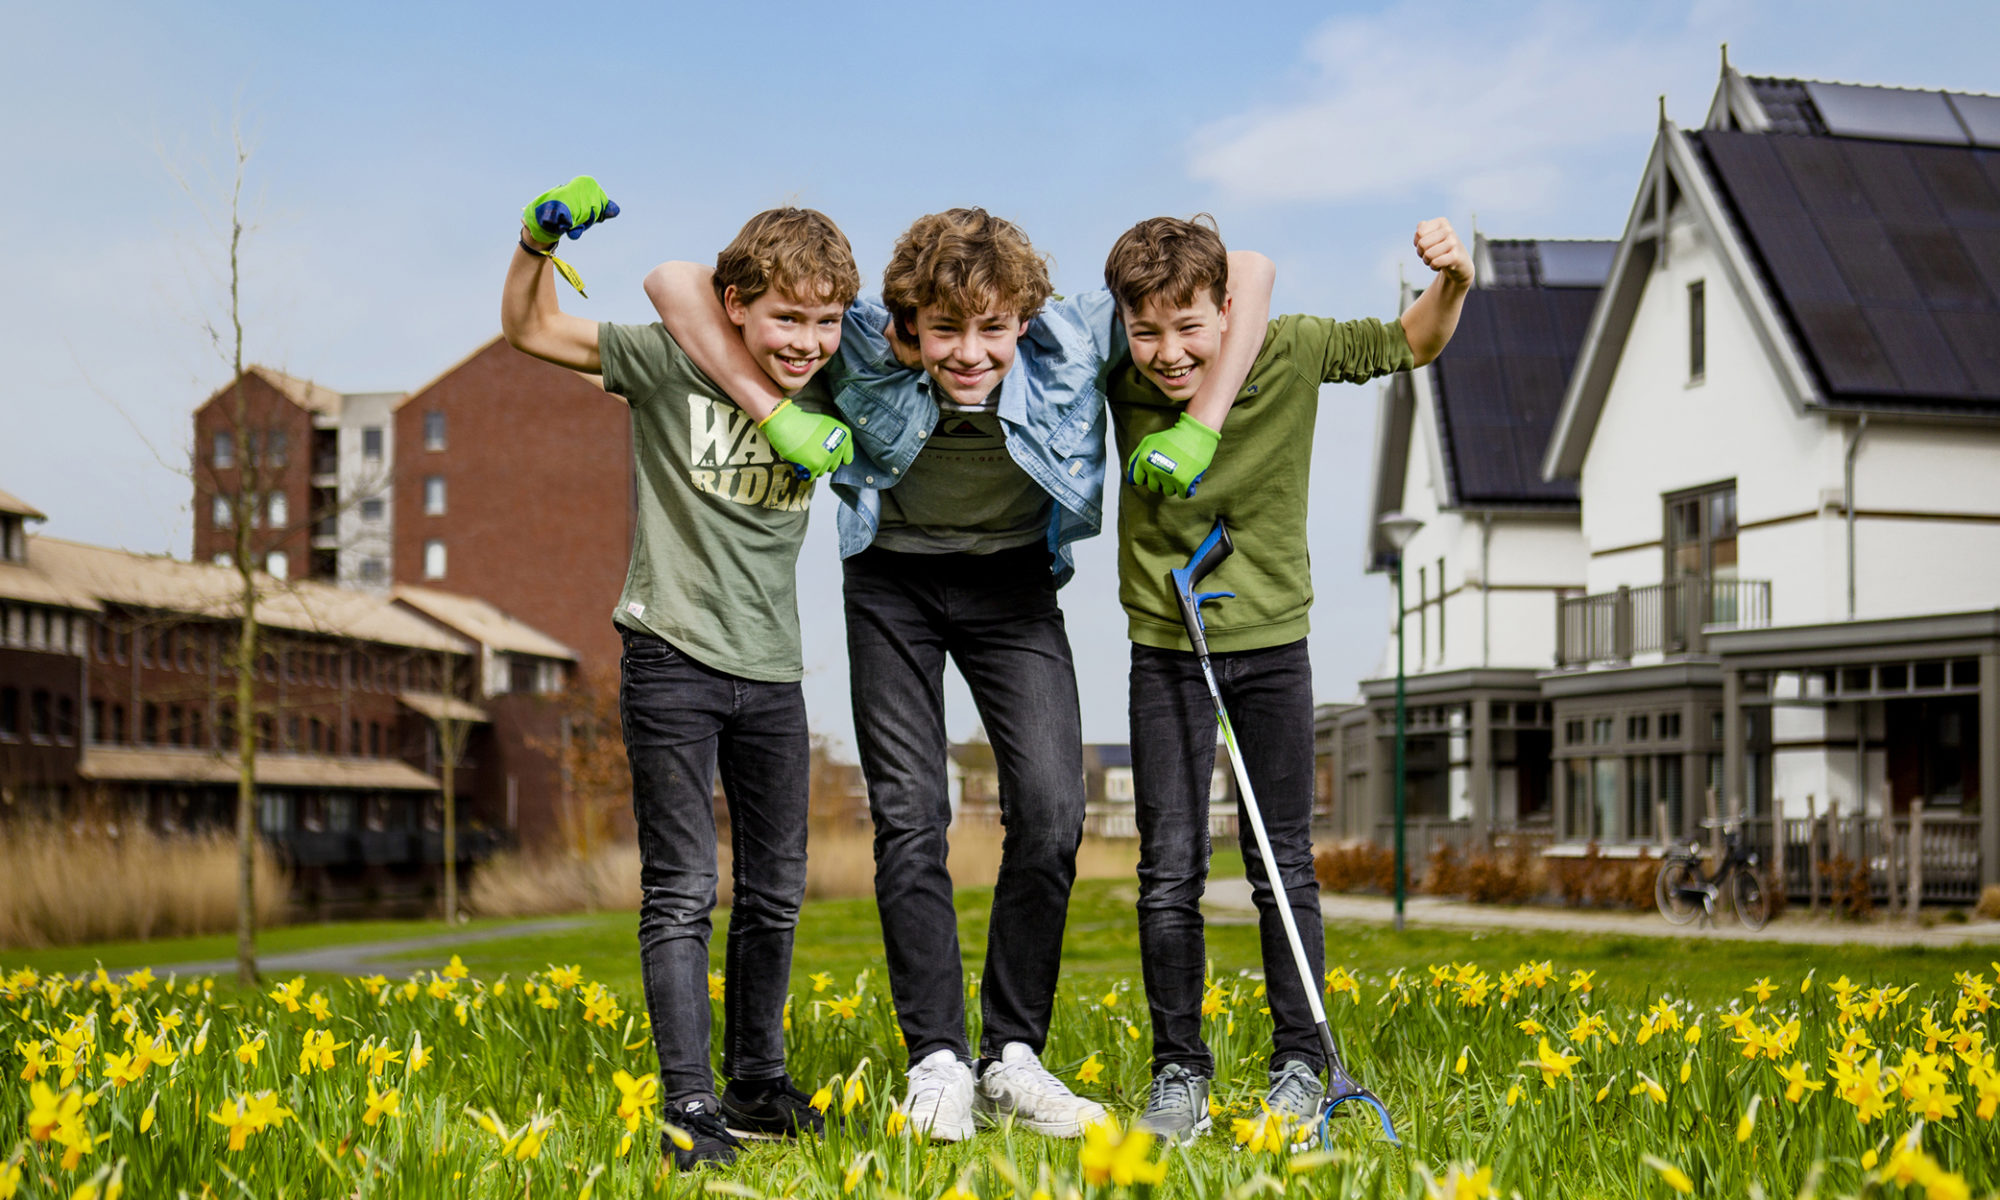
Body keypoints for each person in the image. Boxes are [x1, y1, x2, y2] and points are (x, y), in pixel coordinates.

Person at [644, 208, 1272, 1139]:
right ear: (908, 326)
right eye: (945, 332)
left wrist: (1206, 426)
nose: (970, 354)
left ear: (1024, 317)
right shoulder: (859, 337)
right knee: (911, 817)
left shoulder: (1069, 337)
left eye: (991, 330)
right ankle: (936, 1059)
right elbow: (669, 280)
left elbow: (1250, 268)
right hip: (891, 583)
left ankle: (1013, 1055)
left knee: (1055, 811)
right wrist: (772, 411)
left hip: (1015, 585)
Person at [501, 176, 860, 1168]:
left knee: (777, 892)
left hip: (773, 668)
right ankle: (688, 1105)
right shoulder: (668, 363)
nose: (807, 342)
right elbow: (531, 330)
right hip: (670, 655)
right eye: (787, 317)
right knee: (681, 890)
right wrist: (535, 243)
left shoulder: (828, 381)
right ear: (735, 306)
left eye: (824, 321)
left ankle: (756, 1083)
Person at [1102, 213, 1472, 1143]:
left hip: (1271, 645)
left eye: (1188, 328)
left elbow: (1415, 340)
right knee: (1168, 870)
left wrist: (1456, 280)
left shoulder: (1296, 348)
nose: (1167, 353)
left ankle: (1301, 1065)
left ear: (1228, 310)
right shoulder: (1118, 375)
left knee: (1282, 864)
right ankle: (1178, 1074)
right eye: (1146, 332)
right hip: (1166, 644)